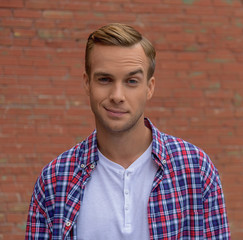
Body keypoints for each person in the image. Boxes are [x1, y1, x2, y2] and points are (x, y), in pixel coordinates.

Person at [25, 23, 230, 240]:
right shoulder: (54, 181)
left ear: (149, 88)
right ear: (87, 83)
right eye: (105, 79)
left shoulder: (195, 170)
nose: (117, 95)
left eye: (132, 81)